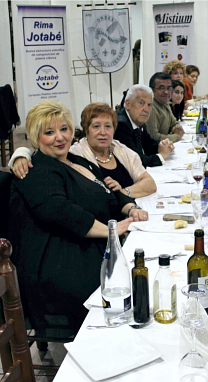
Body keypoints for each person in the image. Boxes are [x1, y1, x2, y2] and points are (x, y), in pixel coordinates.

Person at [8, 100, 148, 334]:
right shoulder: (36, 170)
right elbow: (61, 212)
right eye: (49, 132)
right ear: (35, 136)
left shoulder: (76, 160)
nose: (59, 137)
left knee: (143, 264)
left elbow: (109, 190)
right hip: (60, 261)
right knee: (130, 278)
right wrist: (112, 230)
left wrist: (130, 208)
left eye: (64, 129)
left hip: (90, 244)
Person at [9, 103, 157, 199]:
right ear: (86, 130)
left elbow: (150, 183)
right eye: (96, 126)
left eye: (108, 126)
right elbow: (43, 154)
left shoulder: (119, 148)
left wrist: (123, 193)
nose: (103, 132)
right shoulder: (75, 154)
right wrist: (21, 154)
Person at [114, 85, 175, 168]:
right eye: (141, 103)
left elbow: (148, 145)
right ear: (128, 104)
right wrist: (161, 155)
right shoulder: (121, 125)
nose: (146, 109)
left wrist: (163, 145)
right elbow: (137, 162)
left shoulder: (138, 120)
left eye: (149, 105)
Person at [146, 72, 185, 143]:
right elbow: (153, 137)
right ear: (152, 90)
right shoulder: (150, 107)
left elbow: (174, 123)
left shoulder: (165, 104)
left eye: (169, 88)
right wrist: (176, 136)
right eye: (161, 88)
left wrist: (176, 128)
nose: (166, 92)